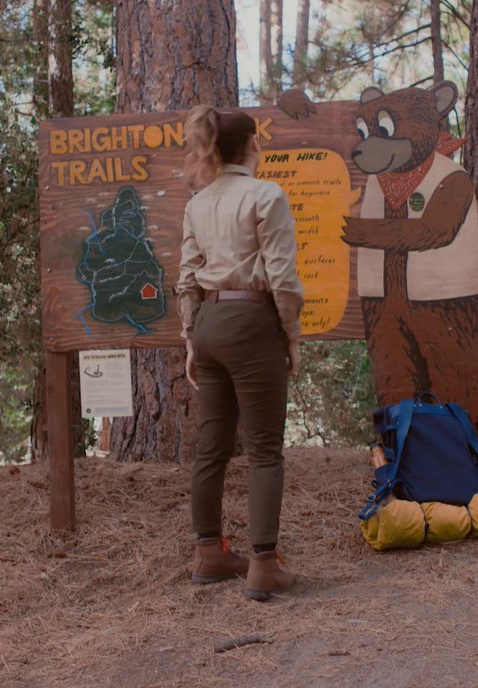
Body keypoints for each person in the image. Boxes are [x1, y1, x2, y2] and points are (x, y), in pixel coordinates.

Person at [176, 104, 304, 602]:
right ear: (254, 145)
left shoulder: (198, 203)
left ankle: (209, 554)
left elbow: (187, 279)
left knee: (212, 446)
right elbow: (283, 279)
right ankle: (264, 566)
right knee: (265, 449)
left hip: (209, 323)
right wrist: (291, 336)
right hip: (252, 323)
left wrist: (191, 338)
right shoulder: (266, 195)